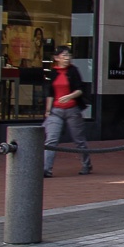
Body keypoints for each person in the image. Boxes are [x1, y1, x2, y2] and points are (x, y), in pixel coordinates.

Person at [42, 45, 91, 177]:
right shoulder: (53, 73)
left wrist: (69, 96)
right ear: (56, 58)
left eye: (68, 55)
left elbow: (80, 89)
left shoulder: (73, 71)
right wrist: (48, 110)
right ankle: (46, 169)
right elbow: (50, 93)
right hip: (56, 110)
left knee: (78, 140)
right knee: (51, 140)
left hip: (72, 110)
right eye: (64, 56)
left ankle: (86, 164)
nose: (67, 58)